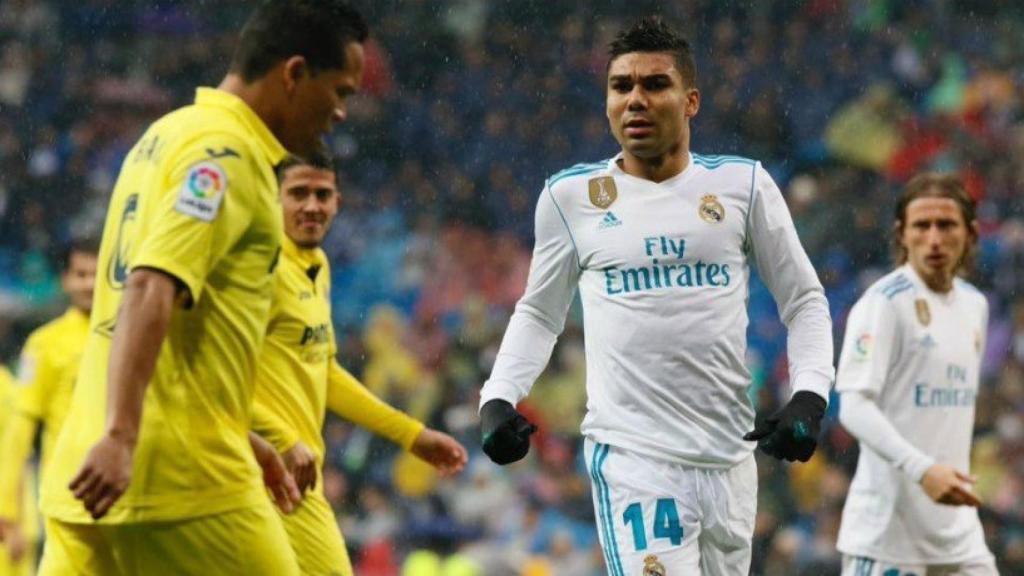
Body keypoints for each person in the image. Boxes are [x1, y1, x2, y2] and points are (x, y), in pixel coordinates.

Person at [478, 16, 834, 575]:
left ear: (691, 101)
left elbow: (804, 300)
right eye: (621, 87)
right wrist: (499, 396)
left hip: (730, 458)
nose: (635, 100)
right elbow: (540, 313)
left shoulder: (742, 185)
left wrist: (810, 397)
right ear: (606, 104)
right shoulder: (570, 197)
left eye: (655, 84)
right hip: (634, 461)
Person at [37, 2, 369, 574]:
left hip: (84, 475)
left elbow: (183, 332)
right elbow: (150, 284)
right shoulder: (229, 157)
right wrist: (123, 434)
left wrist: (244, 435)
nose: (340, 112)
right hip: (183, 480)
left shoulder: (164, 135)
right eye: (339, 91)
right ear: (293, 73)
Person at [251, 151, 469, 575]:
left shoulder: (316, 266)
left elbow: (326, 373)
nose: (312, 205)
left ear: (337, 202)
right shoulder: (256, 269)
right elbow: (214, 375)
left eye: (322, 194)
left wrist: (412, 434)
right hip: (252, 466)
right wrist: (281, 438)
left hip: (297, 477)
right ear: (272, 199)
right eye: (298, 193)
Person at [835, 174, 998, 575]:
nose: (934, 239)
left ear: (971, 234)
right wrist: (922, 469)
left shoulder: (975, 305)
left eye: (946, 225)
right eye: (922, 226)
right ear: (902, 235)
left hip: (958, 536)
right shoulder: (883, 304)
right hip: (889, 540)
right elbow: (853, 406)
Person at [0, 239, 98, 572]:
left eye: (97, 274)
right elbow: (20, 431)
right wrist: (8, 511)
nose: (90, 284)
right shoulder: (44, 344)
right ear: (65, 280)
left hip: (127, 492)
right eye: (81, 274)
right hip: (67, 496)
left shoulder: (128, 337)